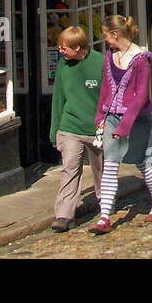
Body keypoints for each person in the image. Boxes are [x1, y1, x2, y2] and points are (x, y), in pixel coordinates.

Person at [88, 14, 152, 233]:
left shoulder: (141, 59)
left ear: (115, 34)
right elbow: (105, 88)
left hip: (138, 120)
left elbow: (141, 96)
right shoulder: (110, 56)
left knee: (142, 162)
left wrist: (125, 126)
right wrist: (100, 116)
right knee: (110, 165)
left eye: (106, 35)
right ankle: (104, 218)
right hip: (112, 116)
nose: (105, 40)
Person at [48, 26, 105, 233]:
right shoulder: (63, 66)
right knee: (70, 169)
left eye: (64, 49)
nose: (61, 52)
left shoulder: (100, 63)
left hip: (96, 128)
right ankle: (64, 214)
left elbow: (110, 95)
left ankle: (105, 205)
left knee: (101, 170)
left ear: (78, 47)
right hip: (70, 127)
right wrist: (55, 131)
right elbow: (58, 99)